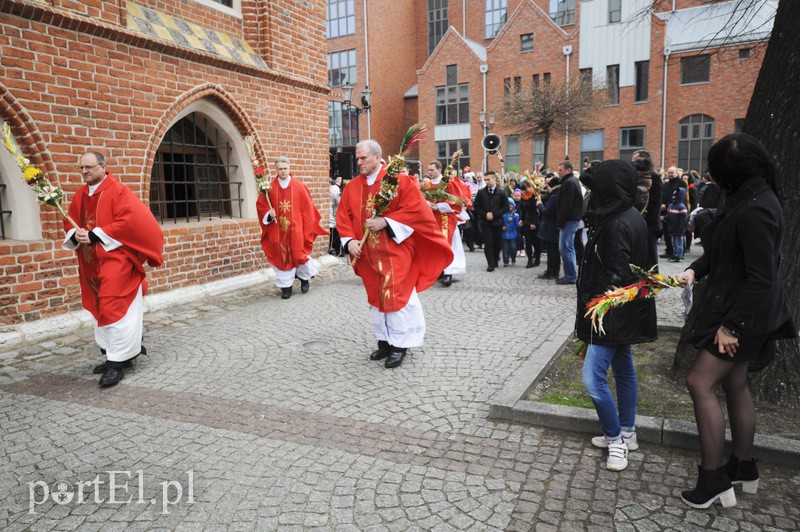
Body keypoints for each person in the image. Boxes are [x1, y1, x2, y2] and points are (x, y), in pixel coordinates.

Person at [677, 133, 795, 509]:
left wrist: (732, 327)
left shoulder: (757, 207)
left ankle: (713, 479)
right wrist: (695, 269)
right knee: (736, 383)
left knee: (699, 382)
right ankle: (742, 466)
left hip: (745, 313)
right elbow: (726, 252)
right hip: (744, 310)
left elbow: (762, 277)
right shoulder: (747, 196)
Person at [336, 140, 452, 368]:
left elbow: (416, 211)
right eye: (357, 158)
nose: (358, 162)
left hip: (396, 252)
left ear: (378, 157)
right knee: (375, 299)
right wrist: (349, 241)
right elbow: (343, 216)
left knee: (398, 296)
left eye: (363, 158)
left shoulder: (399, 181)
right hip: (367, 253)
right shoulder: (352, 187)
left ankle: (400, 345)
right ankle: (385, 342)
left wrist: (387, 221)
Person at [576, 159, 657, 472]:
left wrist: (597, 312)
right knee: (624, 370)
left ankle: (616, 440)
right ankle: (627, 431)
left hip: (610, 314)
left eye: (596, 188)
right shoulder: (628, 215)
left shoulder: (618, 223)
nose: (593, 194)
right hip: (623, 312)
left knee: (592, 379)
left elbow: (618, 275)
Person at [63, 152, 163, 387]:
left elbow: (132, 221)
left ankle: (117, 364)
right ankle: (114, 354)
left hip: (116, 261)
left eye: (88, 167)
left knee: (114, 306)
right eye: (81, 168)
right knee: (100, 307)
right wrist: (74, 234)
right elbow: (69, 220)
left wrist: (96, 234)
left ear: (103, 167)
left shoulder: (118, 191)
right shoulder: (80, 195)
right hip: (90, 264)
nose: (84, 171)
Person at [256, 156, 327, 300]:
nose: (282, 171)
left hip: (297, 229)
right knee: (282, 256)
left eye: (285, 168)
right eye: (280, 169)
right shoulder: (269, 189)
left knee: (298, 253)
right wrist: (269, 215)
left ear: (289, 168)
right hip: (278, 230)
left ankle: (304, 279)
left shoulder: (299, 187)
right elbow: (262, 207)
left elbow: (308, 209)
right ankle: (286, 288)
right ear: (276, 170)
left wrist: (307, 227)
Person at [426, 161, 467, 286]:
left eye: (432, 169)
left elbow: (455, 201)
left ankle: (449, 272)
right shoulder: (427, 185)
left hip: (446, 219)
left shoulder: (448, 184)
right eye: (428, 170)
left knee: (447, 245)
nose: (429, 172)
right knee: (434, 247)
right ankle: (439, 271)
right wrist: (428, 204)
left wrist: (438, 206)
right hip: (432, 219)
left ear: (439, 169)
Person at [632, 150, 663, 267]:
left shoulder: (653, 176)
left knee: (651, 256)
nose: (633, 163)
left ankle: (653, 282)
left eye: (635, 160)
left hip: (649, 223)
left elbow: (656, 202)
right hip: (638, 221)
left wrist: (651, 225)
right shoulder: (636, 175)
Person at [473, 171, 508, 272]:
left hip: (497, 222)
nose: (486, 182)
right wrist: (485, 214)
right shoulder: (481, 192)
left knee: (497, 242)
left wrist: (495, 215)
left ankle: (496, 259)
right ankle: (490, 264)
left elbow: (505, 207)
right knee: (488, 243)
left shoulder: (501, 192)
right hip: (485, 222)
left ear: (495, 179)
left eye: (488, 179)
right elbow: (477, 206)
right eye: (485, 180)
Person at [555, 161, 583, 285]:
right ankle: (570, 274)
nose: (559, 172)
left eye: (561, 169)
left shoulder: (569, 182)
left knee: (566, 248)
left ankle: (571, 276)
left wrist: (560, 222)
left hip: (569, 220)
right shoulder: (570, 181)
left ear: (568, 170)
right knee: (567, 248)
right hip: (570, 219)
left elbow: (567, 205)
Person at [536, 176, 561, 280]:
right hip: (555, 226)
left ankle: (550, 272)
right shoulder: (559, 194)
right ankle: (555, 271)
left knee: (552, 252)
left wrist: (539, 205)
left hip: (551, 227)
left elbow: (547, 211)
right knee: (556, 251)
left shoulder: (554, 196)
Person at [518, 180, 541, 268]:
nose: (524, 191)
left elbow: (535, 211)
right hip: (526, 222)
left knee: (536, 242)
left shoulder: (534, 196)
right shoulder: (523, 197)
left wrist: (533, 222)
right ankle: (530, 260)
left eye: (525, 189)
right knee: (528, 242)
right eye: (523, 190)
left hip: (534, 222)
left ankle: (537, 258)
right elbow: (521, 209)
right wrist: (521, 219)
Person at [665, 186, 689, 262]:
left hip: (679, 230)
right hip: (672, 228)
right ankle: (675, 254)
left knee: (679, 243)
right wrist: (664, 218)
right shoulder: (671, 205)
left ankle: (679, 256)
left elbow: (683, 220)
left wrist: (681, 229)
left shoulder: (682, 207)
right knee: (674, 243)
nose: (674, 197)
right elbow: (668, 216)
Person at [500, 198, 519, 266]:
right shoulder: (502, 215)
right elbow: (500, 223)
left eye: (511, 205)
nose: (510, 206)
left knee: (513, 248)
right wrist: (501, 227)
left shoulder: (515, 215)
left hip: (513, 235)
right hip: (504, 234)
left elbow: (517, 225)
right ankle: (505, 261)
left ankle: (513, 258)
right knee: (505, 249)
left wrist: (519, 224)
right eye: (508, 205)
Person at [329, 176, 343, 256]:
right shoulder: (332, 190)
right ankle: (332, 248)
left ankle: (335, 249)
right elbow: (333, 192)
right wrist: (337, 184)